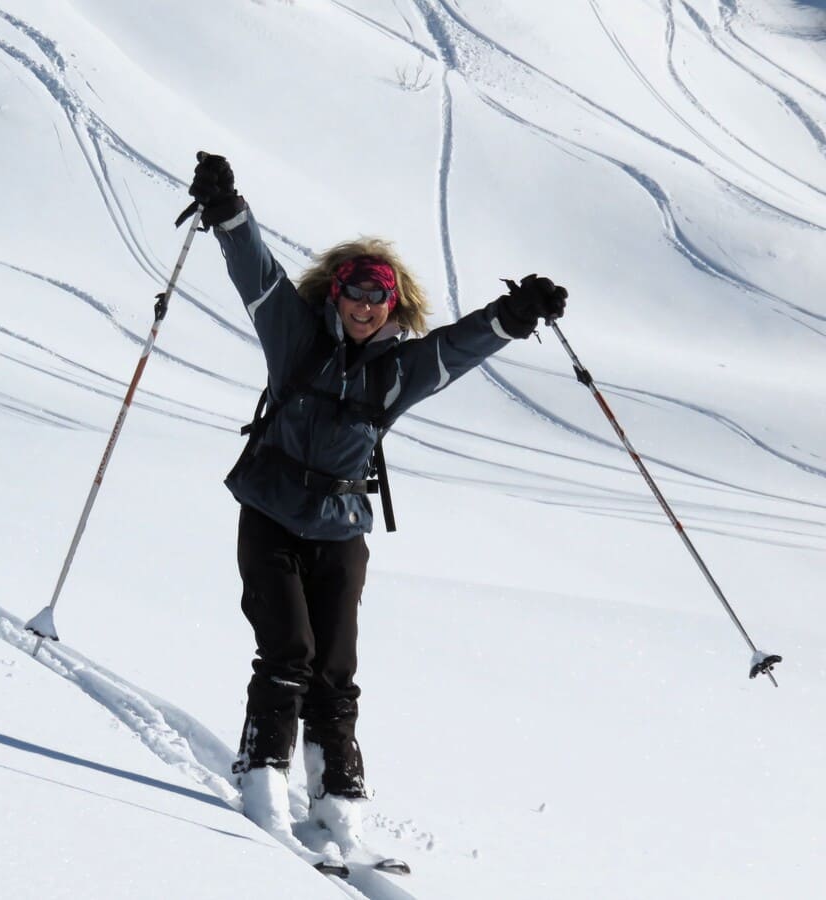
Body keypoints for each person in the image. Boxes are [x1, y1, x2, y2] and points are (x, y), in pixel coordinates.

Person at [181, 152, 567, 854]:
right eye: (354, 294)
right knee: (287, 650)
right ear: (335, 294)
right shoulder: (296, 336)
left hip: (340, 528)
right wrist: (228, 210)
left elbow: (457, 348)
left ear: (392, 306)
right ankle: (262, 775)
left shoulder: (398, 370)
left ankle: (338, 804)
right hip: (269, 511)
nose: (363, 307)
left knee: (336, 669)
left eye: (377, 299)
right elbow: (259, 278)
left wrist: (513, 316)